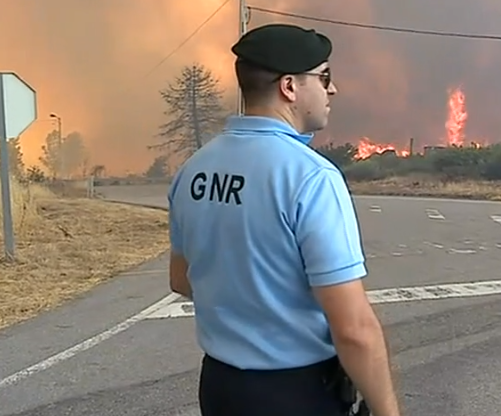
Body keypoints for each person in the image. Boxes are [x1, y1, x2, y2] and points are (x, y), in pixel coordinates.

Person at [166, 22, 401, 416]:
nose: (332, 89)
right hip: (297, 394)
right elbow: (353, 330)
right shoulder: (310, 177)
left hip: (221, 388)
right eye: (324, 76)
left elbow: (180, 278)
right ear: (289, 86)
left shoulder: (194, 169)